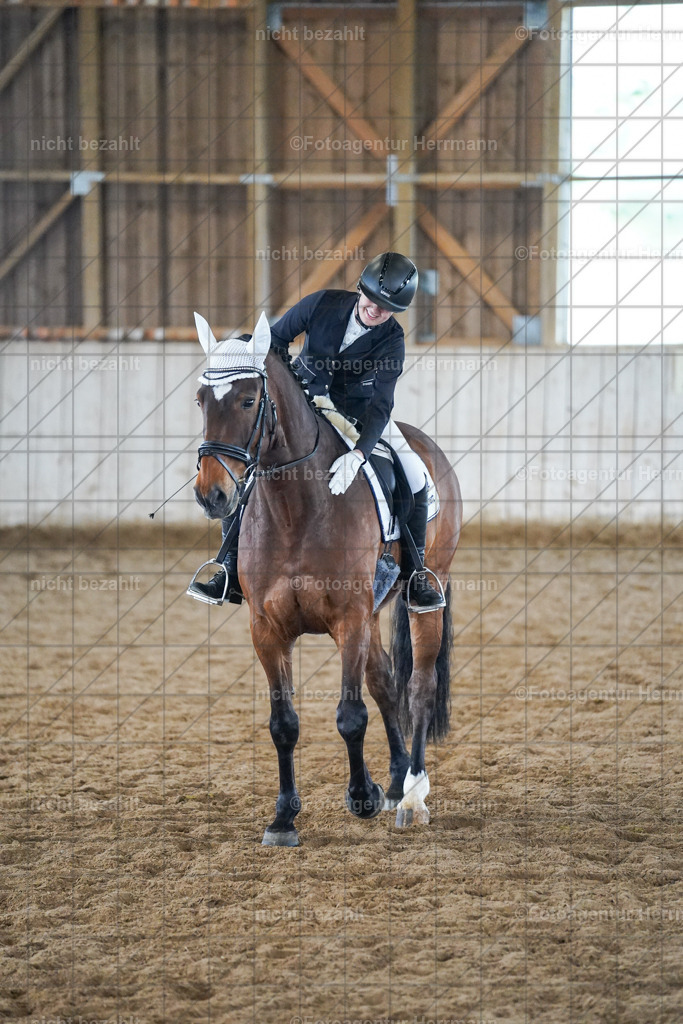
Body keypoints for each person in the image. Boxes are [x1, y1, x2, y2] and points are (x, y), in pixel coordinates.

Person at [188, 252, 444, 609]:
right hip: (303, 404)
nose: (376, 310)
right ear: (360, 289)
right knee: (245, 458)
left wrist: (359, 454)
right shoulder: (322, 304)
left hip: (359, 417)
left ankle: (416, 574)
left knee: (416, 475)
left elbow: (383, 404)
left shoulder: (392, 341)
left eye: (387, 308)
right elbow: (273, 341)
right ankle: (227, 568)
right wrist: (251, 364)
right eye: (373, 300)